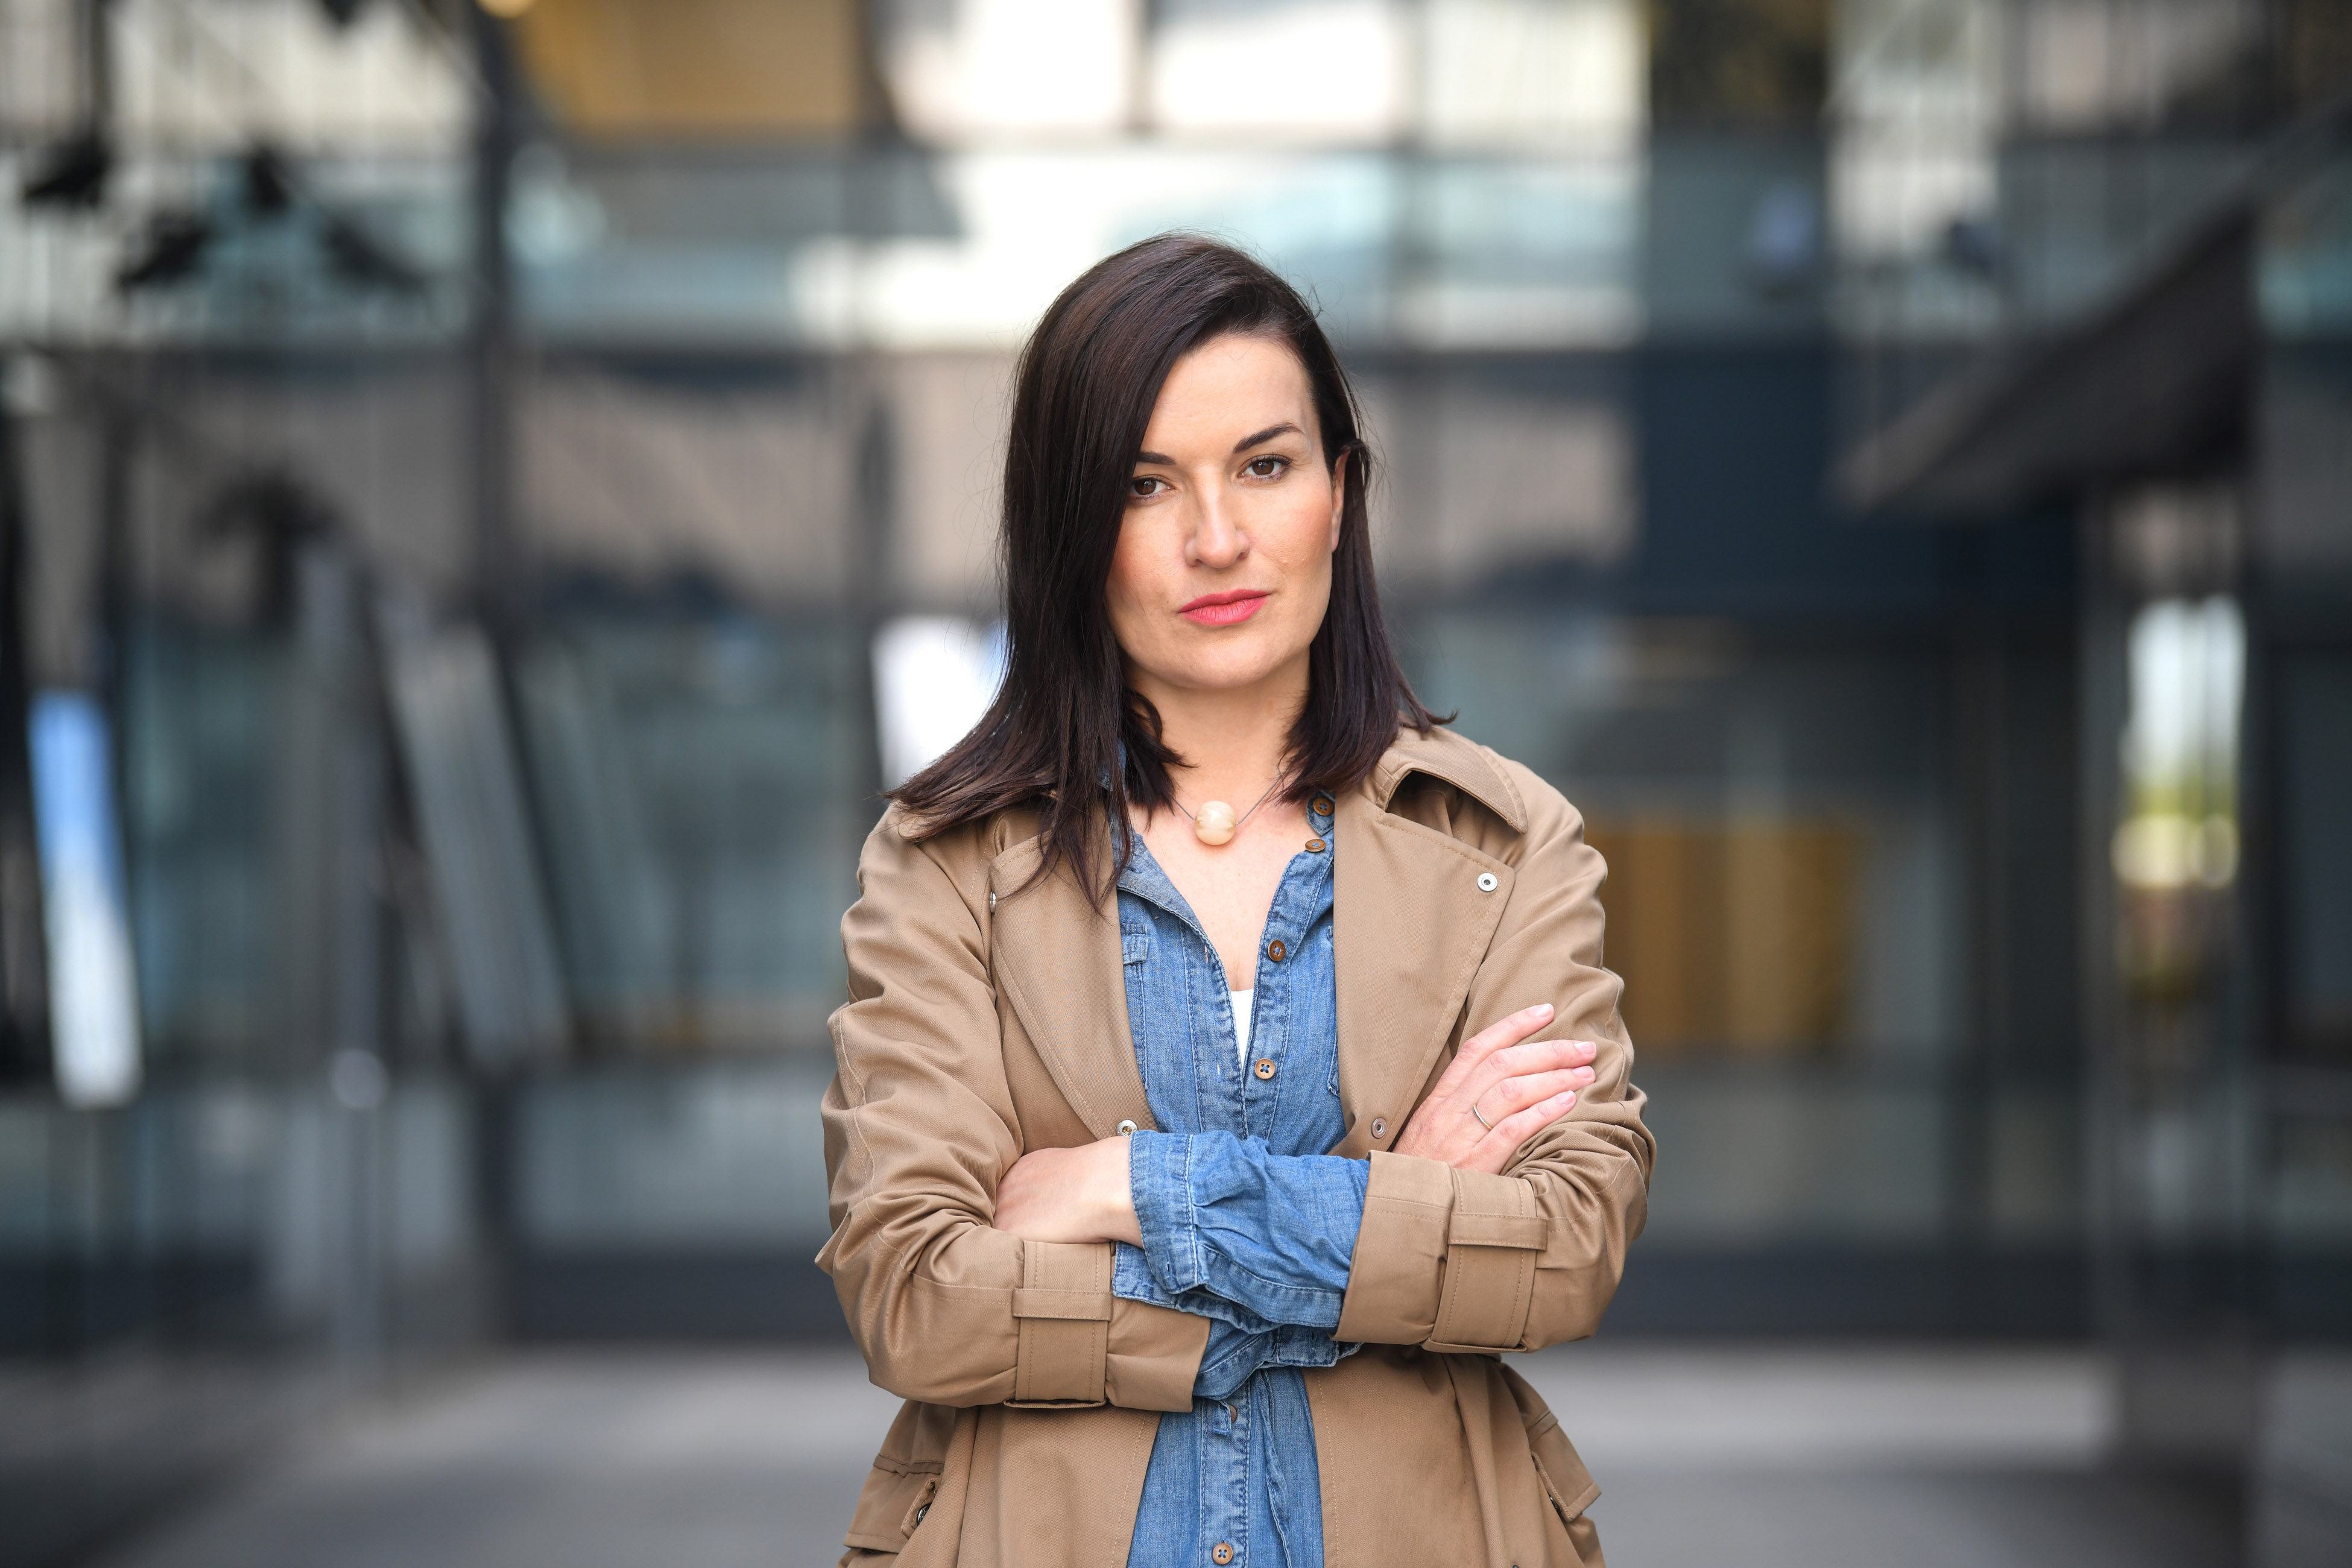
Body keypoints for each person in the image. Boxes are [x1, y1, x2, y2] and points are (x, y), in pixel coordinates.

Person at [819, 234, 1654, 1568]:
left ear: (1340, 491)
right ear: (1074, 528)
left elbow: (1562, 1247)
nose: (1217, 540)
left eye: (1265, 466)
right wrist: (1383, 1228)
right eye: (1148, 485)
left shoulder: (1499, 840)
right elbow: (919, 1293)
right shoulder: (945, 862)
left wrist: (1139, 1187)